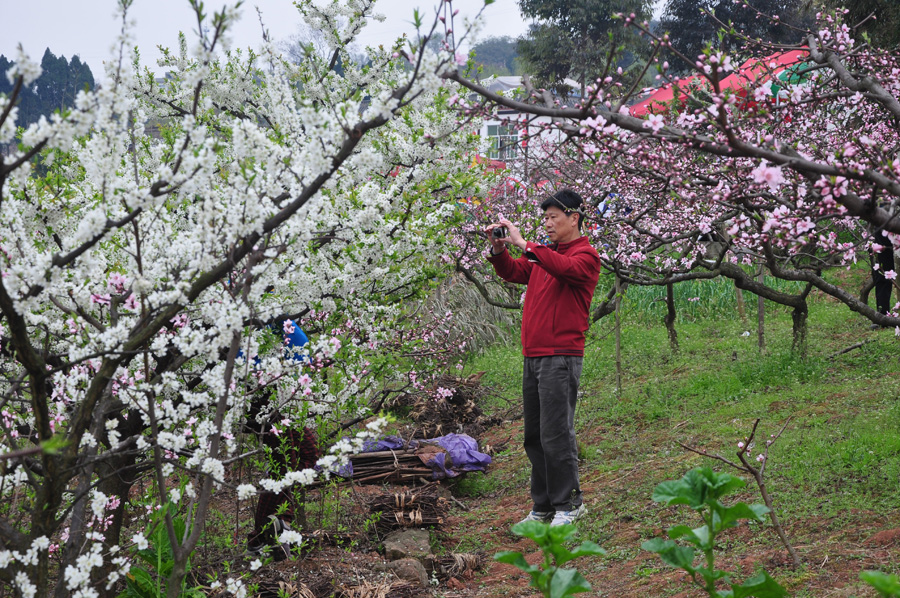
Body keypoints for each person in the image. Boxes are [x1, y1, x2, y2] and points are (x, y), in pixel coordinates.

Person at [485, 189, 601, 527]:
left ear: (574, 218)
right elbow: (514, 272)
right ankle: (544, 506)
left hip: (560, 356)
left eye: (554, 217)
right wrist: (500, 249)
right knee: (534, 435)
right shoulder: (544, 256)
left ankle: (569, 504)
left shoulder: (585, 257)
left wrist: (526, 244)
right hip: (534, 356)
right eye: (545, 218)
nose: (547, 224)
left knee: (556, 433)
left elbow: (562, 267)